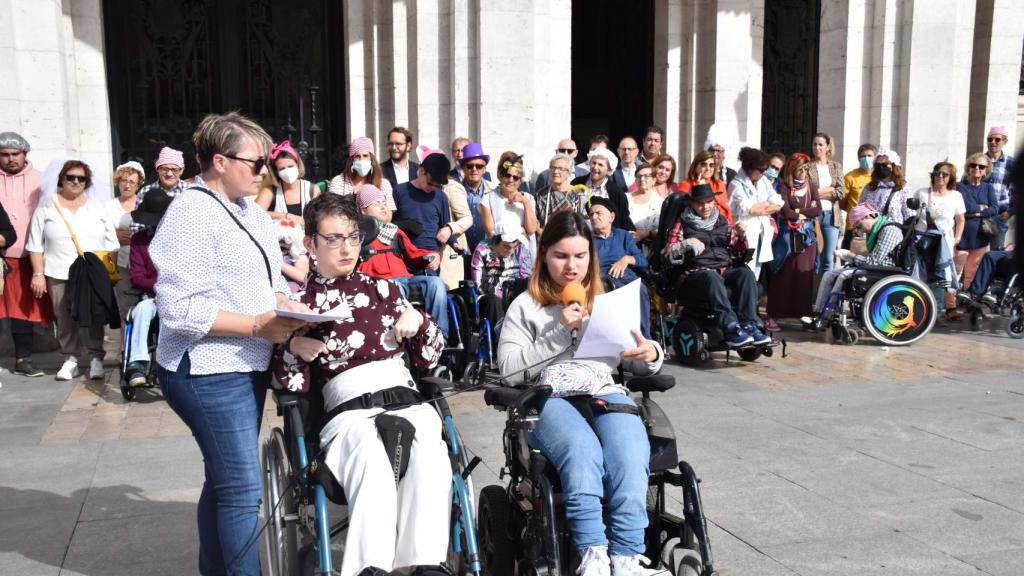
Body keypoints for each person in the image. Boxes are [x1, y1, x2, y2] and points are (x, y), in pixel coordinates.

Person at [151, 112, 309, 576]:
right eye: (256, 162)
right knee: (241, 489)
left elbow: (270, 281)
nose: (266, 171)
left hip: (244, 363)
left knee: (223, 482)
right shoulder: (190, 213)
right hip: (206, 368)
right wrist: (258, 325)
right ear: (219, 161)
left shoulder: (249, 210)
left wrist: (288, 307)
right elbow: (180, 310)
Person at [273, 193, 449, 576]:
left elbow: (429, 358)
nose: (347, 248)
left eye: (353, 237)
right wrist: (293, 347)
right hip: (347, 408)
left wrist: (420, 324)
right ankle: (370, 567)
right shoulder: (299, 306)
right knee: (368, 449)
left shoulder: (385, 290)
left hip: (403, 392)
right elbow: (290, 386)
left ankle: (425, 562)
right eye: (334, 238)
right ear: (310, 243)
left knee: (430, 441)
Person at [497, 210, 667, 576]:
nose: (571, 266)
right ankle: (593, 554)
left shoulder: (607, 300)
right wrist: (559, 331)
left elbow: (633, 357)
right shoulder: (525, 306)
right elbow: (509, 371)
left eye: (580, 255)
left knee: (629, 451)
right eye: (561, 256)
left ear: (591, 255)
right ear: (544, 254)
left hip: (603, 388)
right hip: (549, 395)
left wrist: (651, 354)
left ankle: (627, 557)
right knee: (582, 449)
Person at [27, 159, 119, 381]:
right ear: (61, 179)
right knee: (64, 317)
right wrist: (38, 274)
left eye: (81, 178)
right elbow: (35, 244)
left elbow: (112, 243)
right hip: (58, 271)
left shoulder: (97, 206)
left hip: (91, 273)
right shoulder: (47, 206)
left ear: (87, 182)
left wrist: (109, 272)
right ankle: (70, 359)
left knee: (93, 314)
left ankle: (96, 357)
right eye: (71, 177)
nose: (76, 182)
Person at [667, 184, 771, 348]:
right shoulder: (683, 223)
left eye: (709, 202)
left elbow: (738, 250)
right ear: (692, 203)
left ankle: (749, 324)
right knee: (711, 276)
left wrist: (741, 236)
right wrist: (687, 243)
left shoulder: (721, 221)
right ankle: (730, 327)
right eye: (700, 203)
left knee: (745, 274)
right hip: (696, 273)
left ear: (714, 201)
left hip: (723, 267)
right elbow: (669, 252)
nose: (705, 207)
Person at [356, 183, 450, 340]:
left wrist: (432, 255)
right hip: (379, 282)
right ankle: (399, 336)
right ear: (363, 210)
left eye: (384, 202)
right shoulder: (358, 235)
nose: (383, 207)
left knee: (436, 283)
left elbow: (414, 253)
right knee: (394, 286)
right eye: (376, 203)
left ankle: (439, 336)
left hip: (405, 277)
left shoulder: (395, 231)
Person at [0, 132, 53, 376]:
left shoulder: (41, 180)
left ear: (25, 154)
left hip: (31, 255)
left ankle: (23, 359)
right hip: (2, 256)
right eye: (4, 154)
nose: (11, 159)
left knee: (22, 310)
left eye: (15, 154)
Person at [804, 204, 907, 326]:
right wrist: (850, 257)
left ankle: (828, 313)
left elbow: (872, 262)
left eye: (859, 226)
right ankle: (818, 312)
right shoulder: (876, 230)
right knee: (829, 274)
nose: (861, 231)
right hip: (874, 267)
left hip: (884, 270)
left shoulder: (889, 230)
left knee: (844, 276)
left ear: (867, 216)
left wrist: (850, 255)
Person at [123, 188, 173, 387]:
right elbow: (137, 277)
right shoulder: (139, 240)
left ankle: (166, 364)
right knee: (142, 309)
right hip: (151, 296)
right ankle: (137, 362)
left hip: (176, 296)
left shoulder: (179, 239)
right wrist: (158, 288)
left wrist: (167, 289)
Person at [767, 154, 822, 324]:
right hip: (788, 237)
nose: (803, 173)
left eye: (806, 169)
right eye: (800, 169)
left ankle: (802, 315)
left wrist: (797, 211)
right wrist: (804, 212)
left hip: (807, 237)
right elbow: (785, 212)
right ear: (792, 170)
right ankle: (776, 314)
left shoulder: (812, 187)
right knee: (784, 274)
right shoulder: (784, 187)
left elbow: (818, 210)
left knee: (803, 275)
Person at [589, 197, 651, 338]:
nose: (594, 217)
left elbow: (643, 261)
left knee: (640, 289)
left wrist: (626, 259)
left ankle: (645, 337)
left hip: (626, 275)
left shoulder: (623, 235)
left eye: (598, 213)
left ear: (611, 217)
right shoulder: (587, 239)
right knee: (615, 290)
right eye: (591, 214)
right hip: (602, 278)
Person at [915, 162, 965, 320]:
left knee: (940, 276)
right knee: (921, 274)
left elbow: (960, 219)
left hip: (944, 241)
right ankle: (919, 311)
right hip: (922, 238)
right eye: (937, 173)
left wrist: (956, 239)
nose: (940, 176)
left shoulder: (956, 196)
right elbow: (912, 215)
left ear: (951, 177)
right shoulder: (922, 193)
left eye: (945, 174)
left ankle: (937, 312)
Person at [728, 147, 783, 280]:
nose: (763, 174)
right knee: (746, 270)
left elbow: (778, 202)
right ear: (750, 169)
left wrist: (762, 206)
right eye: (761, 170)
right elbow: (751, 209)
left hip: (761, 232)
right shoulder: (736, 185)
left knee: (757, 271)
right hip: (744, 234)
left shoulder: (762, 180)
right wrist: (765, 205)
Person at [470, 229, 530, 346]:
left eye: (514, 247)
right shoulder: (483, 249)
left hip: (513, 289)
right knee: (494, 301)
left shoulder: (520, 248)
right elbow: (478, 285)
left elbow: (525, 274)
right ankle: (501, 342)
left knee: (529, 285)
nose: (511, 251)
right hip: (490, 293)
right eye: (506, 246)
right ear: (495, 241)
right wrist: (501, 293)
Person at [392, 152, 453, 261]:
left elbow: (445, 227)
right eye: (430, 183)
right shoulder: (399, 191)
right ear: (421, 171)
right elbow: (387, 224)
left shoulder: (441, 197)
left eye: (437, 185)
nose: (433, 187)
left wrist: (454, 242)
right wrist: (404, 225)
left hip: (431, 257)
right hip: (403, 257)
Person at [955, 152, 999, 298]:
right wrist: (981, 208)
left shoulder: (988, 187)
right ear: (968, 168)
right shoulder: (960, 187)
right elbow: (965, 207)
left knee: (972, 270)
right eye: (973, 165)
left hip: (981, 236)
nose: (977, 168)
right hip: (962, 235)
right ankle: (950, 304)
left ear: (986, 170)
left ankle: (969, 300)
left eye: (981, 166)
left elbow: (995, 208)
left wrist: (976, 212)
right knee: (956, 271)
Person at [480, 152, 539, 257]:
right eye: (507, 175)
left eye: (515, 177)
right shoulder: (488, 198)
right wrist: (519, 230)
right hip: (498, 257)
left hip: (524, 258)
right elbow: (490, 232)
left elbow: (531, 230)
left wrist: (525, 202)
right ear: (500, 176)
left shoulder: (528, 198)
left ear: (520, 180)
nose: (511, 180)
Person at [107, 161, 146, 324]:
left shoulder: (144, 204)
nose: (127, 185)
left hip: (144, 264)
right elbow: (102, 233)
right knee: (125, 309)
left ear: (138, 184)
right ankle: (126, 340)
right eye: (123, 180)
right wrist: (115, 235)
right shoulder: (109, 206)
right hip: (120, 264)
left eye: (131, 182)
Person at [806, 132, 846, 273]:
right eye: (814, 144)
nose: (817, 148)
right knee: (813, 256)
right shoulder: (807, 166)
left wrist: (817, 192)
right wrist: (829, 190)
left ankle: (826, 286)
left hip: (831, 216)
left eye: (820, 145)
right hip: (813, 216)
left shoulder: (835, 166)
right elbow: (807, 192)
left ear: (828, 147)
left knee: (829, 258)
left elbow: (841, 192)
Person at [328, 136, 396, 216]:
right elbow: (333, 211)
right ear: (352, 160)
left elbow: (389, 214)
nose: (361, 160)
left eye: (365, 156)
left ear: (371, 158)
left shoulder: (383, 184)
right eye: (357, 156)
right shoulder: (339, 181)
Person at [256, 139, 320, 222]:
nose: (287, 171)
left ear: (298, 165)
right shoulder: (270, 191)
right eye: (282, 169)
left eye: (290, 166)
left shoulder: (312, 189)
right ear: (276, 172)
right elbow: (255, 213)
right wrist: (286, 216)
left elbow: (320, 216)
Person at [572, 148, 634, 231]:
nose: (595, 167)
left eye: (600, 165)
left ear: (609, 169)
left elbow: (623, 220)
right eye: (594, 163)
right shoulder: (576, 183)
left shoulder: (617, 193)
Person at [131, 146, 187, 233]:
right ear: (157, 169)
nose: (169, 174)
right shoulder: (146, 191)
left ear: (181, 170)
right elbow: (137, 225)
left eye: (174, 170)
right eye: (165, 169)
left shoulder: (189, 191)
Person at [857, 149, 915, 225]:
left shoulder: (903, 189)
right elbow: (860, 211)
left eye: (884, 165)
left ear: (894, 166)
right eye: (877, 165)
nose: (880, 167)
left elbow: (909, 215)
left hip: (893, 230)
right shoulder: (869, 187)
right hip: (872, 231)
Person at [455, 142, 492, 254]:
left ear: (484, 169)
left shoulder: (494, 191)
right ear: (463, 168)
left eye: (479, 166)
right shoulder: (454, 192)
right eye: (470, 166)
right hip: (462, 251)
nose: (474, 169)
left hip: (488, 251)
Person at [535, 152, 588, 230]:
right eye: (553, 168)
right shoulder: (541, 194)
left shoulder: (579, 195)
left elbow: (585, 221)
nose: (556, 171)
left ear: (569, 173)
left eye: (560, 169)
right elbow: (536, 221)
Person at [983, 126, 1015, 250]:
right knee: (976, 253)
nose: (993, 142)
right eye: (990, 139)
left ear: (1004, 141)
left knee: (996, 252)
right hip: (980, 214)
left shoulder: (1011, 162)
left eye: (997, 139)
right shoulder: (978, 161)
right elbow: (966, 183)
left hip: (1000, 215)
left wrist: (1010, 212)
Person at [677, 151, 731, 224]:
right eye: (704, 164)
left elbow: (725, 208)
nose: (708, 168)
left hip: (723, 223)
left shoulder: (719, 183)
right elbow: (687, 210)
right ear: (695, 166)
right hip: (698, 225)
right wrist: (699, 189)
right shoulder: (686, 184)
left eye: (711, 165)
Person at [841, 144, 877, 248]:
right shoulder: (850, 177)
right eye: (863, 156)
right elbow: (842, 202)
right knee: (849, 255)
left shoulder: (879, 177)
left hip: (875, 226)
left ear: (875, 157)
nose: (866, 158)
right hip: (854, 227)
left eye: (869, 156)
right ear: (858, 158)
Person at [626, 163, 664, 247]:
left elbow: (663, 230)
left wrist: (648, 233)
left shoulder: (660, 203)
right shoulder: (625, 198)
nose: (642, 179)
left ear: (654, 180)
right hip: (627, 244)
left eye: (646, 176)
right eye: (639, 176)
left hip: (651, 247)